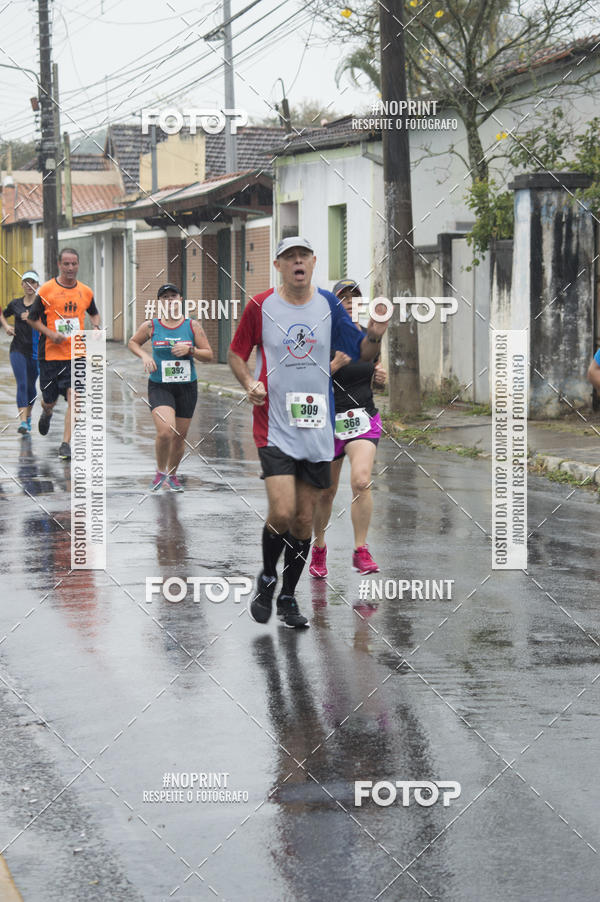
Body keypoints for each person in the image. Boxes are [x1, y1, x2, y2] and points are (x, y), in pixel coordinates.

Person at [228, 237, 389, 628]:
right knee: (282, 511)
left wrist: (376, 332)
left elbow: (363, 353)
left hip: (318, 428)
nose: (297, 262)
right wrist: (249, 381)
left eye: (303, 256)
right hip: (275, 425)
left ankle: (288, 597)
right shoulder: (260, 306)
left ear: (314, 263)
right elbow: (236, 352)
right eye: (289, 257)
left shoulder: (329, 306)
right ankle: (267, 577)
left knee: (302, 520)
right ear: (278, 265)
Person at [309, 278, 386, 578]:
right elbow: (305, 381)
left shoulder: (368, 337)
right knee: (325, 492)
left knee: (362, 481)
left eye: (355, 298)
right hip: (328, 421)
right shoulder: (319, 337)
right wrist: (334, 366)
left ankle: (360, 550)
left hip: (362, 418)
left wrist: (380, 378)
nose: (351, 303)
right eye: (344, 298)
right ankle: (318, 548)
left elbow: (371, 371)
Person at [128, 283, 213, 492]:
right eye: (164, 297)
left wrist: (190, 349)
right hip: (160, 386)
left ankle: (173, 476)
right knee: (166, 431)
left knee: (179, 436)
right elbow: (132, 343)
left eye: (173, 296)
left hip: (186, 387)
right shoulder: (151, 326)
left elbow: (209, 355)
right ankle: (160, 472)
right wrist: (145, 355)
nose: (169, 301)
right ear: (159, 302)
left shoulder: (192, 326)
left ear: (181, 300)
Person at [27, 248, 100, 460]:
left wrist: (96, 327)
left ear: (78, 265)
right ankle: (47, 412)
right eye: (66, 264)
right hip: (50, 355)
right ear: (59, 265)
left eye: (74, 264)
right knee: (48, 400)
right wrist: (51, 333)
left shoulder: (85, 291)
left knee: (75, 398)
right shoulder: (46, 290)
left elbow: (94, 313)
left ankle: (66, 443)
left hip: (76, 354)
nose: (70, 268)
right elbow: (32, 319)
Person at [0, 271, 40, 434]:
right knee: (22, 384)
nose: (29, 285)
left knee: (31, 387)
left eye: (33, 282)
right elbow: (2, 314)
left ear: (37, 285)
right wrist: (6, 326)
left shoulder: (42, 305)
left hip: (36, 352)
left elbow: (52, 323)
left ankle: (28, 416)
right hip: (17, 350)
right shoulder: (15, 304)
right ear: (22, 284)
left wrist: (32, 318)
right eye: (26, 282)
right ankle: (23, 422)